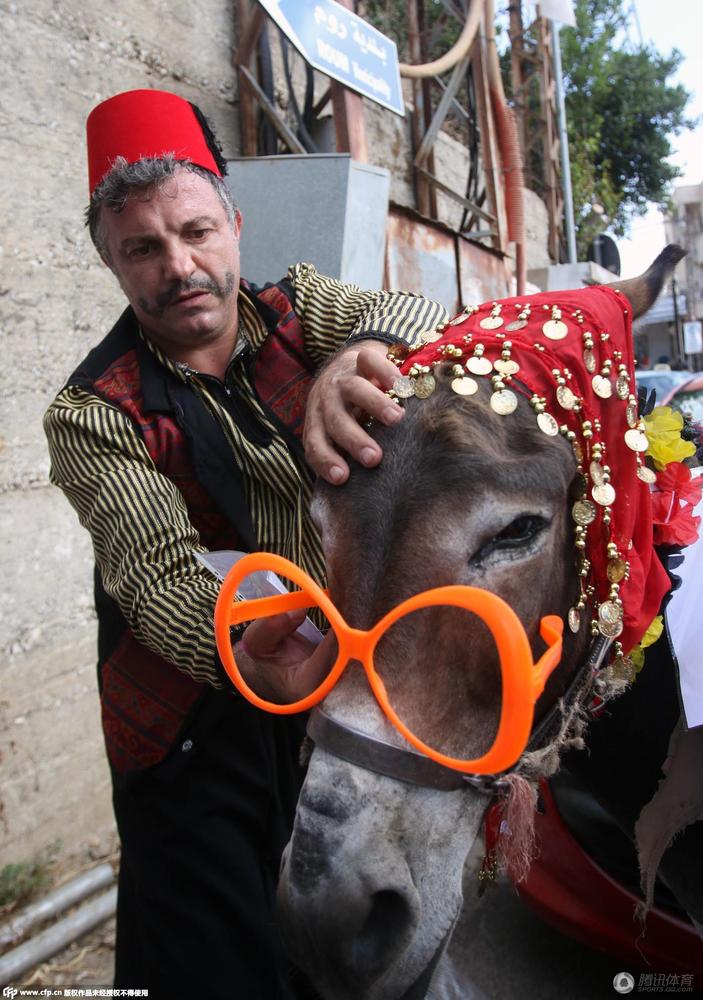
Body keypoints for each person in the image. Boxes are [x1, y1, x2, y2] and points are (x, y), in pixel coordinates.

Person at [43, 88, 447, 1000]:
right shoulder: (93, 410)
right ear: (109, 260)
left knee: (333, 945)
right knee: (213, 954)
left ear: (232, 220)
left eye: (194, 231)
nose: (179, 266)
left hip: (335, 692)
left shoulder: (302, 307)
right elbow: (156, 582)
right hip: (193, 721)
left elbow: (433, 331)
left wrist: (361, 355)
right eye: (142, 248)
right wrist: (255, 641)